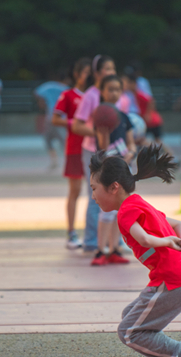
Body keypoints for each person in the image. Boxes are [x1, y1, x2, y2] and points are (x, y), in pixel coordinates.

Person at [89, 145, 181, 357]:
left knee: (128, 332)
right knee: (130, 317)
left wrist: (167, 241)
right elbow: (179, 223)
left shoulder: (125, 212)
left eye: (94, 189)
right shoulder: (141, 204)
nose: (92, 196)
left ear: (114, 187)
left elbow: (143, 239)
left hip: (175, 281)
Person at [72, 54, 117, 252]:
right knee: (95, 196)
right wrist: (98, 132)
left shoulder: (117, 94)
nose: (111, 72)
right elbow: (76, 125)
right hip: (92, 151)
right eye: (107, 69)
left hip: (113, 151)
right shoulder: (90, 96)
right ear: (97, 73)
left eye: (113, 68)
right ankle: (91, 241)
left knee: (116, 195)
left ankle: (113, 242)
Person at [91, 75, 136, 266]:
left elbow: (132, 144)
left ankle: (115, 248)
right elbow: (102, 147)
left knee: (121, 210)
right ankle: (101, 250)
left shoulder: (125, 117)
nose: (114, 93)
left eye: (118, 89)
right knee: (106, 211)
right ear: (102, 91)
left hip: (123, 168)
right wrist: (103, 132)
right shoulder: (101, 116)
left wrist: (130, 155)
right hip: (107, 170)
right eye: (110, 89)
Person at [54, 58, 91, 250]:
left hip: (93, 148)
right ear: (77, 74)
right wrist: (74, 124)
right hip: (75, 149)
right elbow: (55, 119)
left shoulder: (95, 95)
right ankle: (71, 233)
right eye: (85, 72)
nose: (88, 76)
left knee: (96, 194)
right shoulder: (68, 95)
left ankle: (93, 234)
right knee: (75, 192)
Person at [35, 73, 70, 171]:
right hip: (61, 118)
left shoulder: (48, 86)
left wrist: (44, 103)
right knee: (63, 140)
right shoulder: (66, 89)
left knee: (48, 140)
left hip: (50, 117)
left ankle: (54, 161)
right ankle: (67, 161)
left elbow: (37, 93)